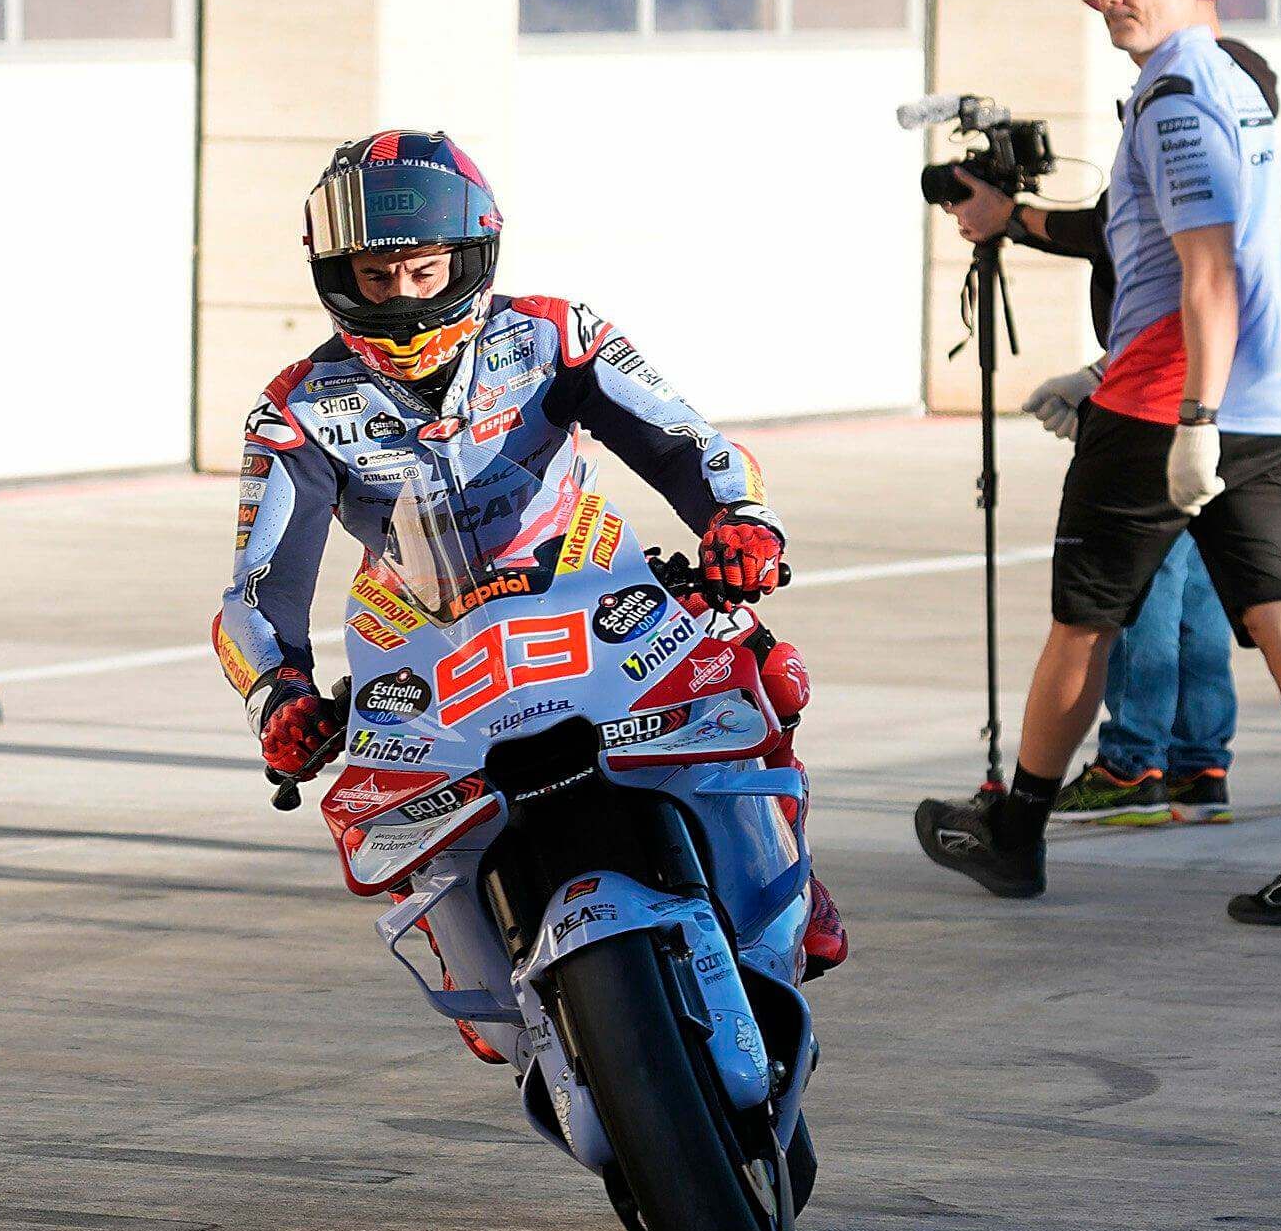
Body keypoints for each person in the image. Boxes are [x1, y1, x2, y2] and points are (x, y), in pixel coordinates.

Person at [215, 130, 847, 1036]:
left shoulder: (555, 333)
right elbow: (257, 588)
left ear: (471, 256)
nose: (403, 298)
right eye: (376, 277)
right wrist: (279, 697)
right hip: (422, 634)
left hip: (592, 587)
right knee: (383, 799)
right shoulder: (295, 408)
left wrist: (738, 521)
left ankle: (789, 869)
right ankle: (474, 958)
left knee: (759, 664)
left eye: (423, 270)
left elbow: (685, 439)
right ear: (335, 275)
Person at [915, 0, 1281, 926]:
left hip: (1166, 410)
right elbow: (1143, 242)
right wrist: (1011, 219)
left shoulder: (1174, 100)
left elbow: (1208, 271)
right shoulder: (1228, 85)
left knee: (1083, 622)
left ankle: (1016, 832)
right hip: (1262, 398)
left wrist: (1190, 419)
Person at [948, 0, 1274, 828]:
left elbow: (1134, 241)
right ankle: (1199, 764)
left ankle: (1133, 763)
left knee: (1135, 583)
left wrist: (1013, 219)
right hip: (1213, 384)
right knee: (1199, 580)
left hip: (1166, 391)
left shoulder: (1190, 95)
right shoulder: (1236, 94)